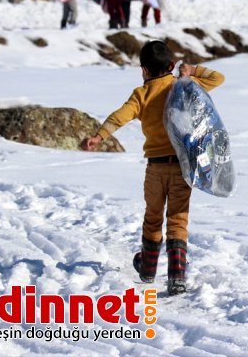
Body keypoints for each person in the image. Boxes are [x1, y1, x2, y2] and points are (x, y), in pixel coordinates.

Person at [80, 41, 225, 296]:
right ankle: (177, 276)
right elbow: (218, 78)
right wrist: (192, 70)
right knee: (178, 218)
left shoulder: (141, 94)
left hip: (156, 169)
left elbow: (119, 116)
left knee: (153, 216)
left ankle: (147, 267)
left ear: (143, 70)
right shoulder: (184, 87)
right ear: (171, 65)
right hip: (183, 168)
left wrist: (98, 136)